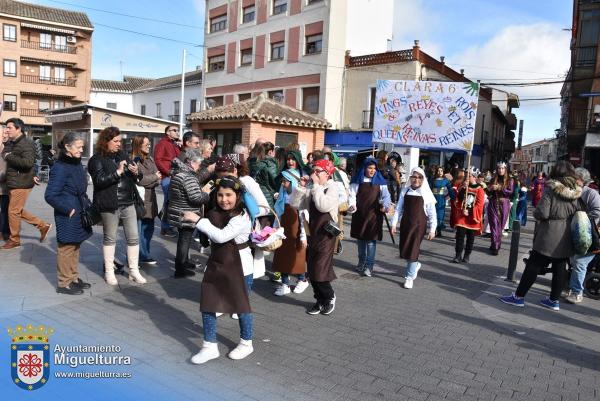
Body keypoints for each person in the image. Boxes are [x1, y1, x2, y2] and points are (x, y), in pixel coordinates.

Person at [183, 176, 255, 364]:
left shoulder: (241, 217)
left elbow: (221, 236)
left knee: (241, 307)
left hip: (241, 266)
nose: (224, 199)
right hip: (217, 263)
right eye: (221, 195)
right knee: (208, 303)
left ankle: (246, 342)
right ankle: (209, 346)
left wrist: (199, 220)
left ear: (237, 196)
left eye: (229, 195)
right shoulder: (215, 212)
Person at [499, 161, 582, 311]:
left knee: (533, 265)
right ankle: (553, 300)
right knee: (559, 267)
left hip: (550, 232)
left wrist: (536, 213)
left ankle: (518, 297)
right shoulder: (576, 192)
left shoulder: (551, 189)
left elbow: (542, 212)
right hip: (566, 234)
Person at [88, 127, 147, 285]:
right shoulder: (96, 159)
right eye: (115, 141)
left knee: (134, 237)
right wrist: (118, 172)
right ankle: (109, 271)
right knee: (110, 238)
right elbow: (99, 181)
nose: (118, 144)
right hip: (109, 203)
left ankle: (134, 271)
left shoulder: (123, 155)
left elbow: (138, 178)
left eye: (120, 141)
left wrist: (136, 172)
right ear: (105, 141)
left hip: (128, 202)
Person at [44, 133, 92, 295]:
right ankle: (64, 283)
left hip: (79, 211)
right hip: (68, 214)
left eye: (82, 147)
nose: (81, 150)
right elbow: (50, 195)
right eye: (78, 147)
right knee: (66, 248)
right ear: (67, 147)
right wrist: (68, 209)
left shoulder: (76, 164)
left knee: (75, 245)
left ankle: (73, 277)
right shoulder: (60, 167)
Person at [290, 159, 339, 315]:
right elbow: (295, 204)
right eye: (314, 170)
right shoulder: (313, 187)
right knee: (311, 269)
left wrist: (316, 186)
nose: (314, 174)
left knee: (320, 269)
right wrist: (301, 187)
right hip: (313, 233)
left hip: (327, 235)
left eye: (318, 171)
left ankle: (329, 296)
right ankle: (319, 299)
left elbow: (323, 206)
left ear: (327, 173)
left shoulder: (333, 187)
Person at [2, 118, 52, 250]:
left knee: (13, 211)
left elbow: (28, 163)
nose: (6, 130)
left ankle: (15, 240)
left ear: (18, 129)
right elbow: (5, 154)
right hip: (13, 181)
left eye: (9, 127)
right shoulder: (13, 143)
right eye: (6, 128)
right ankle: (42, 226)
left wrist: (8, 156)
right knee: (15, 210)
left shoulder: (26, 143)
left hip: (21, 182)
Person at [391, 167, 437, 289]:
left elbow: (432, 213)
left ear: (423, 179)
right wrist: (394, 223)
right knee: (405, 249)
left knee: (413, 249)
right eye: (414, 177)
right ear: (410, 178)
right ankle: (414, 265)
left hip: (419, 225)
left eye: (419, 177)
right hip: (406, 224)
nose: (416, 180)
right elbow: (399, 208)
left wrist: (433, 229)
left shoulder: (426, 193)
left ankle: (409, 277)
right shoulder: (405, 191)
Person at [167, 149, 210, 278]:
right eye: (198, 164)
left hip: (179, 211)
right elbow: (196, 198)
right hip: (186, 213)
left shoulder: (178, 172)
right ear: (191, 163)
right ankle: (180, 269)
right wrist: (206, 193)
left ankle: (183, 263)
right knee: (184, 241)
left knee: (183, 240)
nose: (199, 167)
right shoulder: (188, 176)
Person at [348, 157, 391, 277]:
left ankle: (369, 266)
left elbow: (386, 196)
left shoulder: (380, 181)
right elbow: (352, 195)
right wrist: (352, 205)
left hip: (374, 216)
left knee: (371, 242)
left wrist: (385, 205)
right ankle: (361, 262)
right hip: (360, 215)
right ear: (365, 168)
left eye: (374, 168)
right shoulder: (357, 180)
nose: (372, 171)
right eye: (369, 168)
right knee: (361, 241)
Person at [565, 167, 600, 304]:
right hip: (573, 234)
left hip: (589, 235)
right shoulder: (571, 192)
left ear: (579, 180)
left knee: (580, 263)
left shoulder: (591, 194)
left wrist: (582, 220)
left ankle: (576, 292)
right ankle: (570, 287)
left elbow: (598, 212)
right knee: (574, 262)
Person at [272, 169, 309, 295]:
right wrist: (275, 228)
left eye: (285, 181)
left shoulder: (299, 195)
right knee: (282, 257)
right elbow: (278, 213)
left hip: (296, 232)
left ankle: (302, 279)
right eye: (282, 181)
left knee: (297, 256)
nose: (283, 184)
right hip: (284, 231)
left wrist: (303, 236)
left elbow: (303, 217)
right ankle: (285, 284)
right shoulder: (282, 195)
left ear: (293, 181)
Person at [131, 135, 161, 265]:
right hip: (140, 200)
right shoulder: (134, 161)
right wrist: (154, 177)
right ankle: (141, 255)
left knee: (149, 228)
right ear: (138, 145)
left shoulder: (150, 159)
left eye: (149, 143)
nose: (149, 146)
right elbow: (140, 180)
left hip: (151, 199)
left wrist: (153, 178)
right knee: (139, 230)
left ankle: (145, 253)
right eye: (146, 144)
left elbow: (158, 179)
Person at [450, 168, 485, 264]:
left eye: (468, 176)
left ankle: (467, 255)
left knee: (470, 237)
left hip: (472, 216)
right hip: (462, 216)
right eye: (466, 176)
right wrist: (463, 189)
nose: (466, 178)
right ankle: (458, 255)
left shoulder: (480, 189)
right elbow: (459, 199)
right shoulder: (464, 187)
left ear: (474, 177)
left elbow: (480, 204)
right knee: (460, 236)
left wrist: (469, 211)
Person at [154, 124, 181, 237]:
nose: (177, 132)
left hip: (176, 176)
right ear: (167, 132)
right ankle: (165, 227)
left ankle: (167, 226)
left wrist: (181, 146)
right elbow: (158, 160)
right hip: (168, 177)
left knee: (172, 202)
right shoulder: (162, 144)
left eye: (177, 130)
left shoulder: (175, 144)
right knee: (168, 202)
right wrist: (168, 172)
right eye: (174, 130)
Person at [487, 162, 514, 255]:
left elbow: (510, 192)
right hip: (493, 204)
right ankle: (495, 246)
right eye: (499, 168)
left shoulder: (509, 180)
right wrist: (490, 189)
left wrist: (500, 188)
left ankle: (495, 243)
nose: (500, 170)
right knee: (494, 225)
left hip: (504, 204)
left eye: (502, 168)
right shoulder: (493, 179)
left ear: (505, 169)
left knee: (500, 226)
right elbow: (487, 192)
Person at [431, 166, 453, 237]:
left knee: (440, 215)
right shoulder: (432, 179)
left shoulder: (445, 180)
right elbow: (428, 189)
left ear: (443, 172)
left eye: (441, 171)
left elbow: (450, 190)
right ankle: (433, 230)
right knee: (433, 215)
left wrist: (451, 196)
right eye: (438, 171)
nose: (439, 172)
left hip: (441, 200)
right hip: (433, 199)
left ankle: (439, 231)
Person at [0, 127, 10, 241]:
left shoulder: (9, 149)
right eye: (3, 133)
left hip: (5, 186)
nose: (4, 135)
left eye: (6, 132)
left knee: (5, 210)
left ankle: (4, 232)